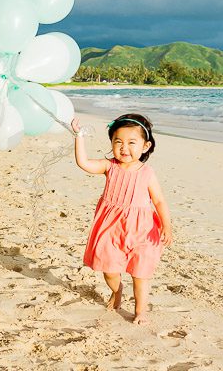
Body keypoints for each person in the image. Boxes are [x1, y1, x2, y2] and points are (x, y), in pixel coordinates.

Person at [71, 113, 173, 325]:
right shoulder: (109, 167)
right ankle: (117, 291)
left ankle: (140, 311)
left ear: (145, 146)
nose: (124, 148)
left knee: (140, 273)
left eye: (131, 143)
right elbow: (83, 163)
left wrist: (167, 225)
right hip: (111, 228)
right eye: (118, 142)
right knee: (109, 271)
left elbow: (160, 201)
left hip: (142, 230)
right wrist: (78, 136)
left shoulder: (147, 172)